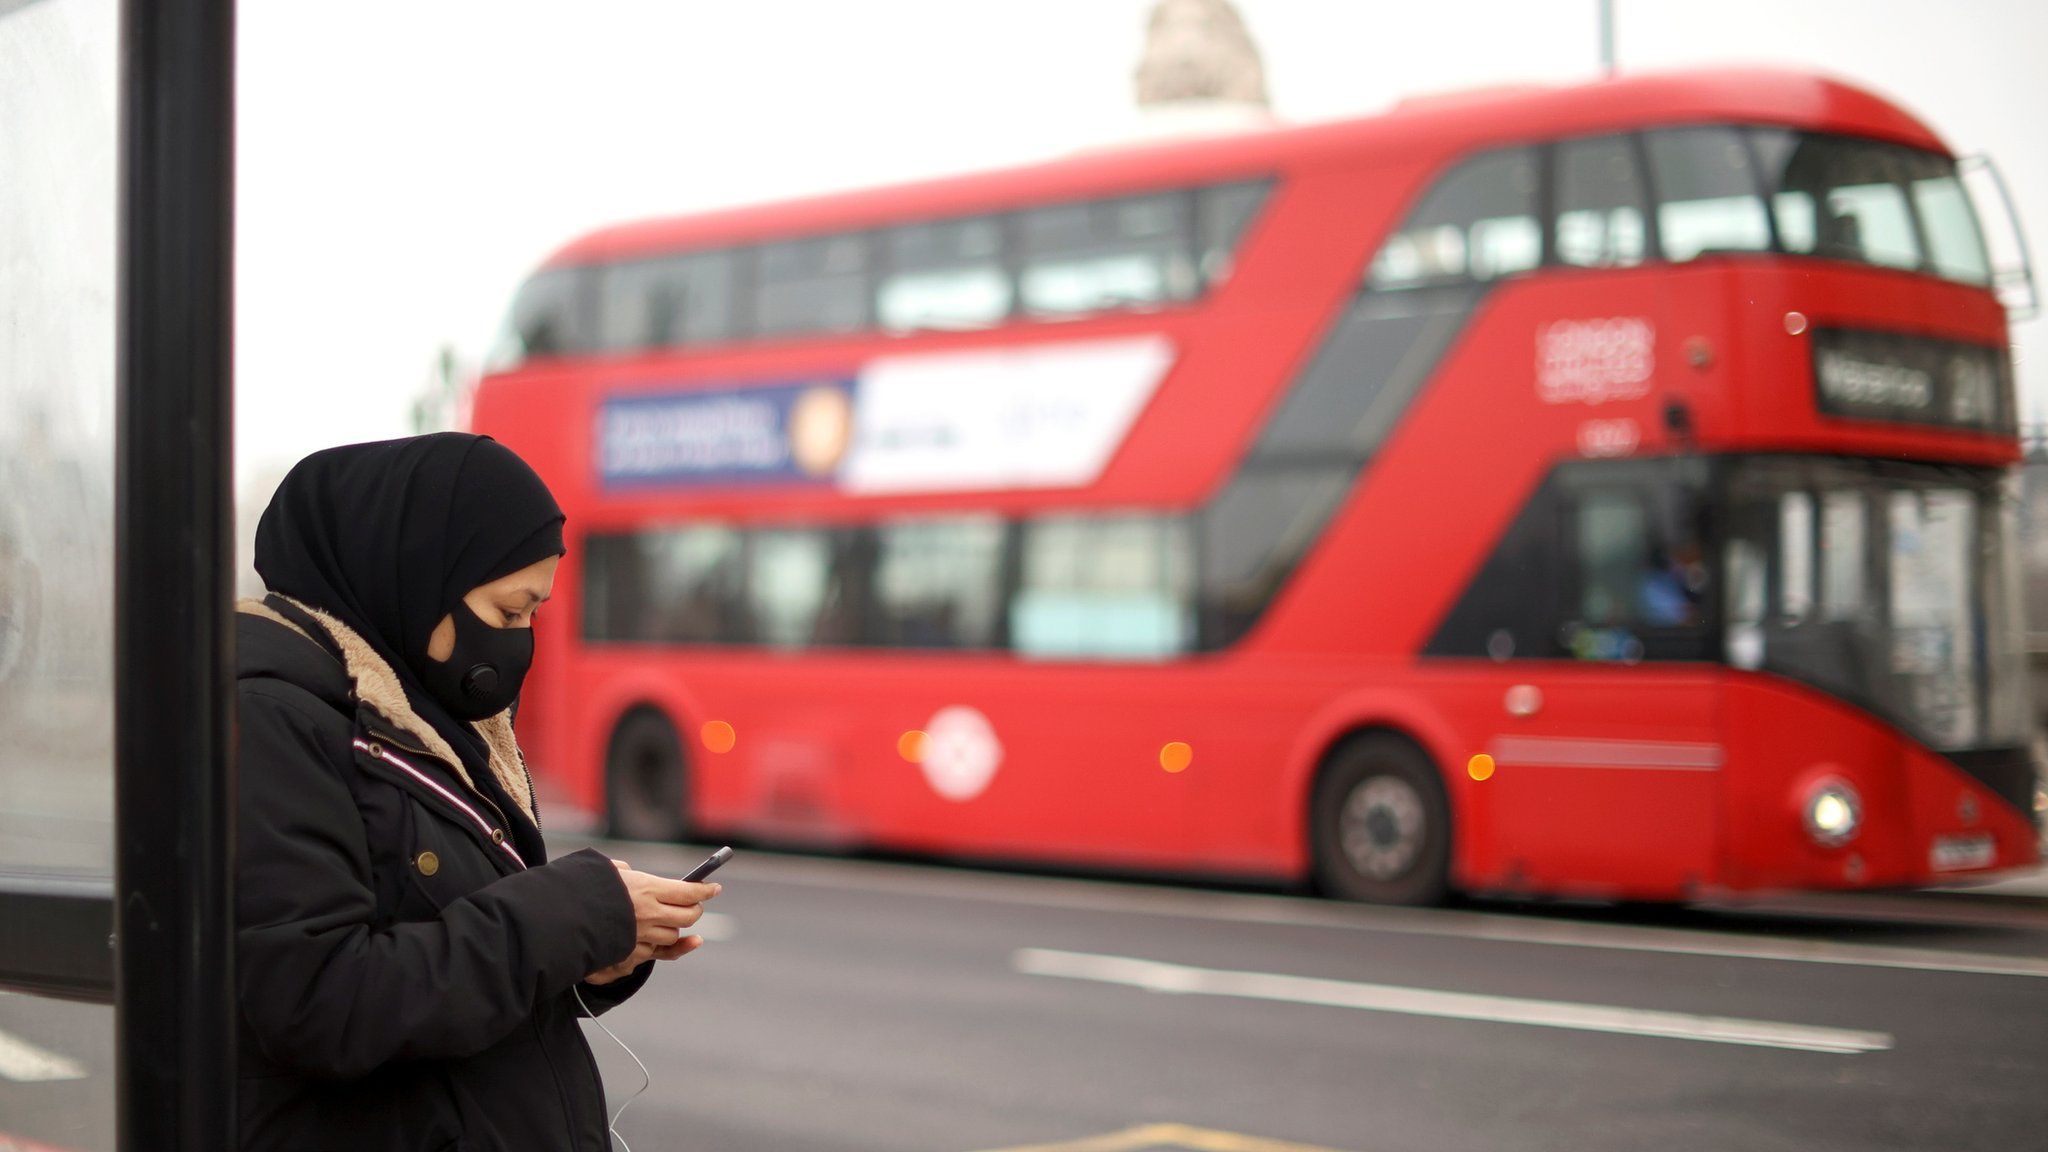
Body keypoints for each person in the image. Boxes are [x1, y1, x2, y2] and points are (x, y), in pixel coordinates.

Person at [234, 433, 717, 1151]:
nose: (521, 642)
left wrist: (591, 948)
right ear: (415, 576)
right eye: (507, 612)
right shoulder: (271, 720)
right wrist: (568, 913)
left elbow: (453, 955)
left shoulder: (430, 719)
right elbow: (323, 1003)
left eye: (534, 614)